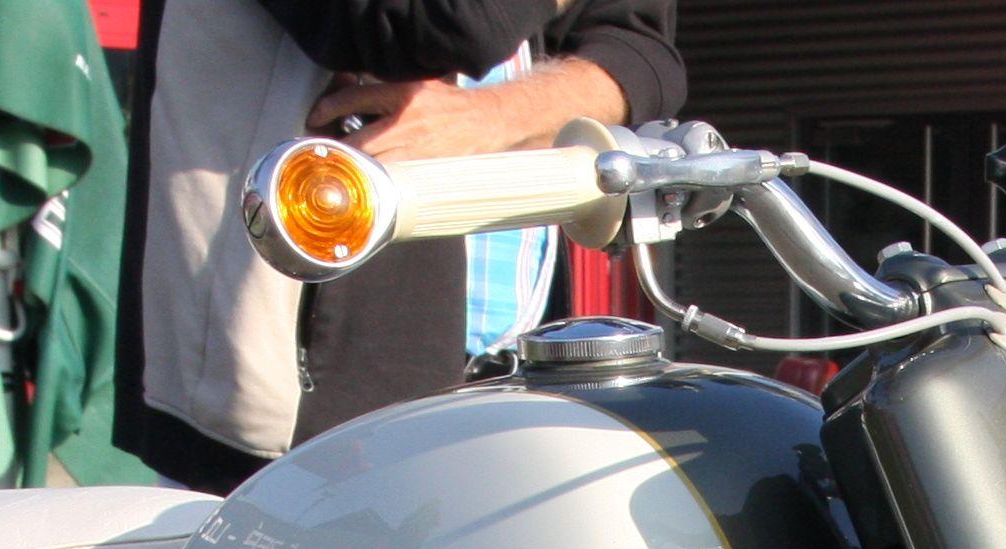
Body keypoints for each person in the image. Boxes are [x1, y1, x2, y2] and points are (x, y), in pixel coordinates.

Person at [121, 0, 683, 492]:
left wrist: (495, 116)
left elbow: (643, 58)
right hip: (305, 408)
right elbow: (437, 25)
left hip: (519, 380)